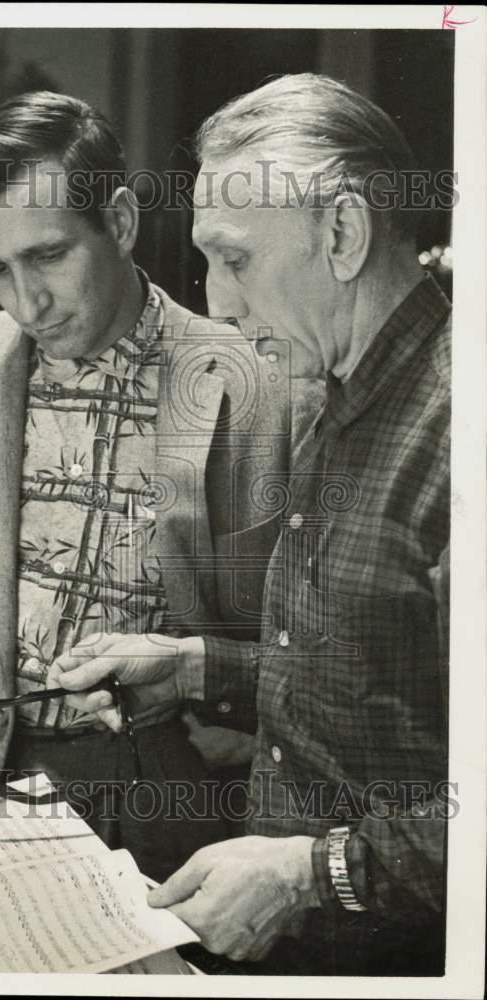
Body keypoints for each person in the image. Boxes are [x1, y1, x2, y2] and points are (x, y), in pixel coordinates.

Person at [0, 91, 299, 883]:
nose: (24, 302)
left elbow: (293, 645)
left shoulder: (254, 379)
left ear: (119, 221)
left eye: (47, 256)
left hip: (163, 803)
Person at [52, 74, 450, 974]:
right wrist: (194, 667)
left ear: (341, 233)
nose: (218, 304)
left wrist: (311, 874)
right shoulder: (328, 391)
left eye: (234, 260)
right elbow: (377, 668)